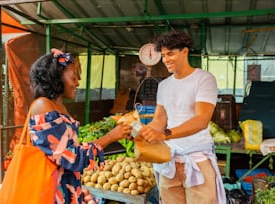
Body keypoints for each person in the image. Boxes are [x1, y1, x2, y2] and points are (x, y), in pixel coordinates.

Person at [28, 48, 132, 204]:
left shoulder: (60, 107)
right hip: (50, 192)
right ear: (56, 77)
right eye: (74, 77)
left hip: (65, 188)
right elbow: (71, 157)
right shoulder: (43, 106)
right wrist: (111, 137)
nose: (78, 82)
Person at [137, 30, 226, 204]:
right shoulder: (164, 86)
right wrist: (145, 132)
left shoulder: (203, 79)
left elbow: (202, 119)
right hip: (169, 162)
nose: (165, 59)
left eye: (170, 53)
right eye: (163, 55)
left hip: (197, 161)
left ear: (185, 51)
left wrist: (165, 134)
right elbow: (159, 119)